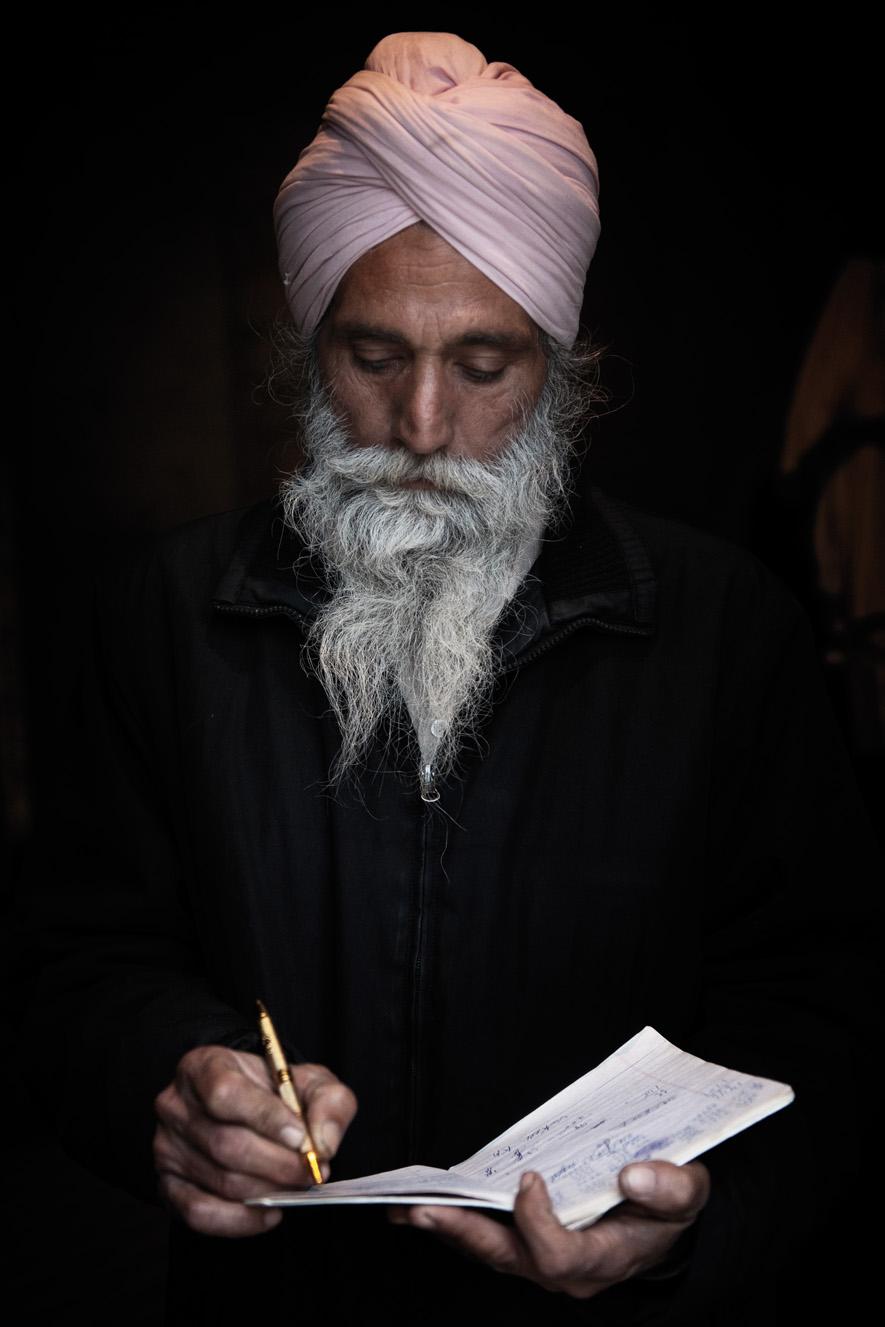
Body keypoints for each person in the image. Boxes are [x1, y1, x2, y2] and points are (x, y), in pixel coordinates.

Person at [27, 31, 876, 1326]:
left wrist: (694, 1225)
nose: (422, 428)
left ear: (560, 373)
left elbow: (825, 1004)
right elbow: (74, 962)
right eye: (372, 358)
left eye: (484, 368)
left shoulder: (723, 629)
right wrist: (177, 1080)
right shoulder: (163, 614)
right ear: (308, 348)